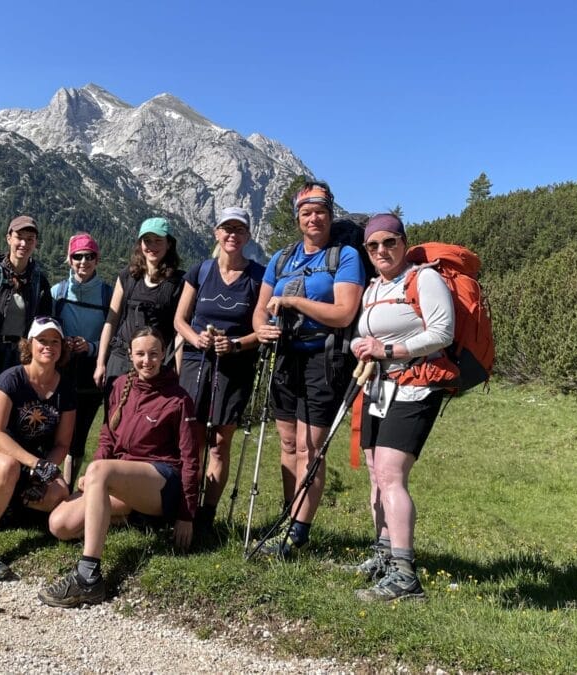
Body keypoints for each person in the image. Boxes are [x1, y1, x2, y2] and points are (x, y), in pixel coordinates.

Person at [41, 327, 199, 607]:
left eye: (153, 354)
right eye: (140, 354)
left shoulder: (179, 398)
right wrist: (95, 472)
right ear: (130, 355)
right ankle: (125, 517)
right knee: (59, 525)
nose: (146, 361)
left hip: (161, 481)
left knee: (101, 471)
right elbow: (107, 436)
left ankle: (88, 576)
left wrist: (186, 514)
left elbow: (190, 460)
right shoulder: (119, 386)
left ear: (164, 354)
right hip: (120, 479)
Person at [252, 180, 364, 557]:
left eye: (320, 212)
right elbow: (261, 307)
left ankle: (298, 532)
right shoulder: (282, 258)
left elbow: (344, 312)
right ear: (297, 218)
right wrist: (260, 328)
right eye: (306, 213)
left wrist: (296, 303)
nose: (313, 218)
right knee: (287, 443)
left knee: (309, 448)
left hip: (323, 358)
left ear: (331, 216)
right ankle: (289, 516)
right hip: (285, 356)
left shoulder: (344, 257)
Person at [348, 213, 454, 602]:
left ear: (404, 243)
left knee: (392, 474)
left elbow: (443, 332)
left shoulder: (424, 278)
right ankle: (384, 557)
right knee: (376, 473)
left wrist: (387, 350)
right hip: (379, 387)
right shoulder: (374, 287)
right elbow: (368, 335)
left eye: (389, 242)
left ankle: (406, 577)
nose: (381, 250)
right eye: (373, 245)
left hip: (418, 385)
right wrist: (361, 347)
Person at [0, 317, 75, 581]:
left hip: (29, 463)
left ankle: (8, 507)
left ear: (62, 348)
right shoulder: (11, 379)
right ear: (30, 344)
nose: (48, 347)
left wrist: (45, 469)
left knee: (58, 492)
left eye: (55, 342)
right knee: (6, 466)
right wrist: (34, 464)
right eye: (42, 340)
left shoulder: (65, 388)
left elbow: (62, 444)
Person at [173, 207, 265, 529]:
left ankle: (206, 516)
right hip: (197, 362)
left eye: (239, 230)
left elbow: (262, 330)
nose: (232, 235)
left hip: (234, 366)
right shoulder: (200, 271)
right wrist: (196, 338)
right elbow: (180, 320)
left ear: (247, 236)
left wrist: (236, 343)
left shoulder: (258, 276)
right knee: (193, 438)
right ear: (216, 232)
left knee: (220, 443)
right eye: (227, 228)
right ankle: (184, 505)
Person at [94, 217, 184, 408]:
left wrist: (177, 371)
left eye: (158, 240)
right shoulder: (127, 276)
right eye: (147, 241)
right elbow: (111, 320)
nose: (152, 246)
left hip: (154, 364)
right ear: (140, 244)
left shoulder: (178, 282)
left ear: (169, 244)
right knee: (113, 419)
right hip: (120, 359)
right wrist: (101, 362)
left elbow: (179, 331)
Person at [52, 232, 113, 485]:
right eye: (78, 256)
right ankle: (46, 487)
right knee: (52, 431)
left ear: (97, 260)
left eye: (90, 256)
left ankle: (66, 488)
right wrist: (62, 343)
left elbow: (115, 336)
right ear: (69, 259)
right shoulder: (58, 292)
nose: (83, 262)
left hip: (91, 371)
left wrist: (90, 346)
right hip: (60, 369)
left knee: (79, 435)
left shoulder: (107, 295)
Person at [0, 215, 53, 406]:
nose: (24, 243)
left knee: (17, 406)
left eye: (30, 239)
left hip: (22, 356)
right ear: (8, 238)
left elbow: (45, 322)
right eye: (19, 237)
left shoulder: (39, 281)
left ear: (35, 243)